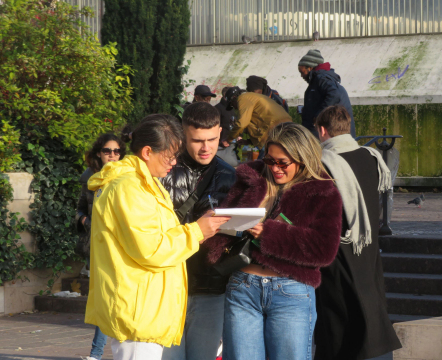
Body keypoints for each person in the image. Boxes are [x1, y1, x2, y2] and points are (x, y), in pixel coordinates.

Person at [84, 114, 230, 360]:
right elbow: (151, 248)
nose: (174, 161)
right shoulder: (129, 187)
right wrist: (197, 231)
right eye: (170, 155)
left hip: (144, 305)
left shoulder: (143, 183)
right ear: (147, 152)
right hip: (139, 309)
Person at [204, 122, 343, 360]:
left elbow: (324, 249)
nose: (275, 168)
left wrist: (270, 234)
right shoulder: (251, 177)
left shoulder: (323, 191)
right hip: (242, 287)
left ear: (302, 158)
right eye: (270, 161)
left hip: (291, 291)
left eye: (283, 162)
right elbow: (223, 225)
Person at [314, 105, 402, 360]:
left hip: (339, 247)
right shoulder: (370, 156)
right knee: (369, 303)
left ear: (322, 130)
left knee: (338, 316)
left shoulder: (324, 162)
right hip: (368, 244)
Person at [160, 102, 236, 360]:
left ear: (221, 132)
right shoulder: (161, 171)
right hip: (168, 287)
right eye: (197, 140)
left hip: (211, 288)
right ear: (183, 135)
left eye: (212, 139)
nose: (206, 147)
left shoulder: (231, 176)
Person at [76, 133, 125, 360]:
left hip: (120, 246)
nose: (112, 155)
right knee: (104, 300)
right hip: (95, 245)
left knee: (113, 299)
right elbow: (79, 209)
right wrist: (86, 221)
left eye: (117, 151)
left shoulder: (126, 176)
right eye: (108, 151)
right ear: (99, 152)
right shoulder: (90, 177)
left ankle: (103, 352)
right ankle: (97, 354)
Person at [298, 49, 356, 138]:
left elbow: (334, 94)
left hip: (332, 135)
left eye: (302, 72)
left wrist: (319, 115)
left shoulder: (321, 78)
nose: (301, 76)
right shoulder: (319, 80)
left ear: (309, 68)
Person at [224, 86, 292, 149]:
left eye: (232, 104)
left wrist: (229, 139)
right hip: (286, 126)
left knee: (266, 160)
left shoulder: (242, 98)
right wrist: (249, 141)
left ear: (234, 98)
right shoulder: (253, 97)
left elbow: (242, 123)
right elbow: (258, 121)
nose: (234, 108)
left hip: (273, 131)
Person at [215, 86, 238, 167]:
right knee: (233, 163)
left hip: (235, 142)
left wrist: (240, 136)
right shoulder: (218, 108)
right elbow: (216, 127)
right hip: (223, 144)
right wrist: (220, 140)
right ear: (225, 95)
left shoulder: (234, 108)